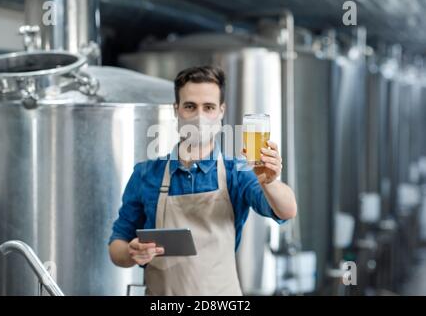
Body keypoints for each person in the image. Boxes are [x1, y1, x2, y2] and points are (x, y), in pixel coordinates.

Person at [109, 65, 297, 295]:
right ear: (176, 110)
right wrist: (131, 252)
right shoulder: (146, 174)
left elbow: (287, 211)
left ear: (221, 111)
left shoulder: (236, 172)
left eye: (208, 107)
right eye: (190, 107)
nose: (200, 116)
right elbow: (117, 245)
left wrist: (270, 181)